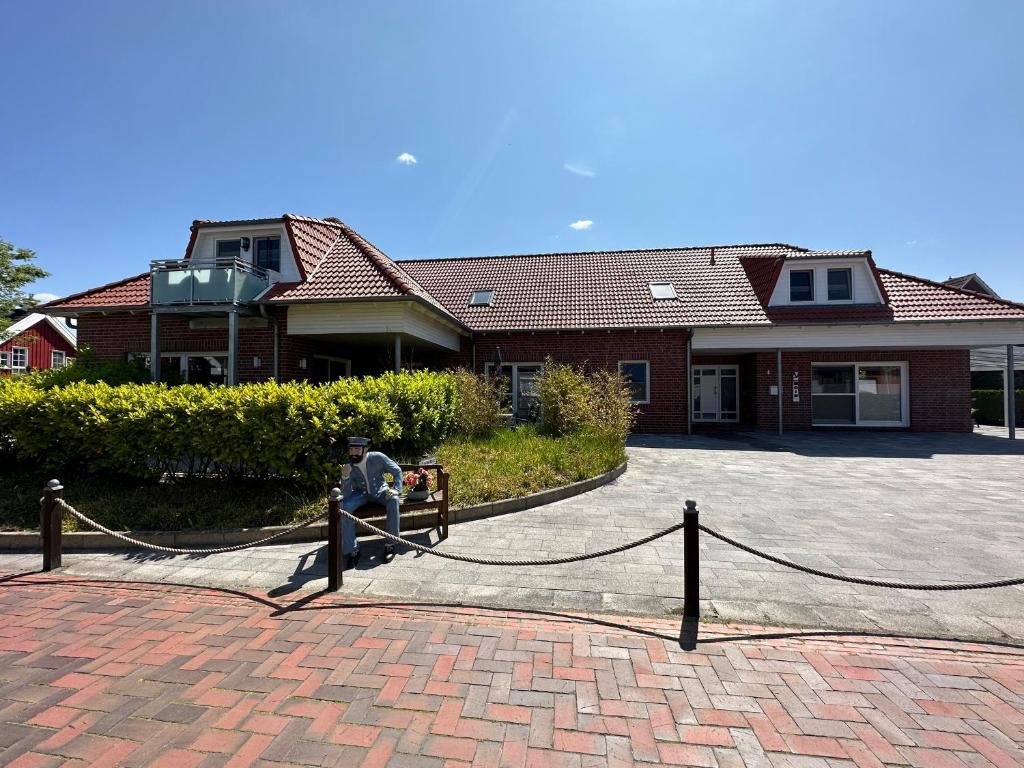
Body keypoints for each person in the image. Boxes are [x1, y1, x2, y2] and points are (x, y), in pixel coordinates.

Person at [339, 436, 403, 569]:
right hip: (361, 494)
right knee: (344, 507)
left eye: (357, 449)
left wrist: (396, 489)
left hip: (381, 491)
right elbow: (345, 494)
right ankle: (352, 550)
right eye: (351, 450)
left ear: (365, 450)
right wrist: (345, 477)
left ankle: (391, 544)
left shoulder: (377, 457)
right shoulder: (349, 466)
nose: (354, 453)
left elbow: (397, 471)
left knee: (393, 500)